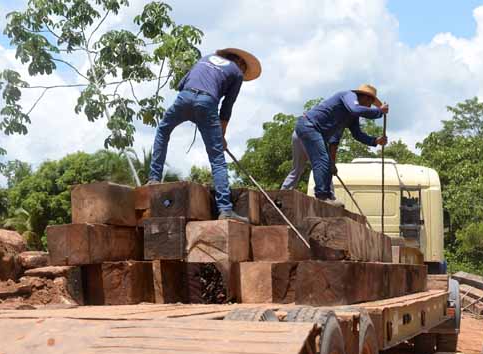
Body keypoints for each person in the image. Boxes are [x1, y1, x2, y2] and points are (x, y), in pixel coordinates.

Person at [147, 48, 262, 223]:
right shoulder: (236, 73)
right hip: (208, 103)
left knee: (163, 131)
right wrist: (220, 136)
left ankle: (154, 179)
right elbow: (226, 108)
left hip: (184, 97)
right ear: (240, 63)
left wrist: (190, 109)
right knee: (217, 158)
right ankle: (225, 209)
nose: (243, 73)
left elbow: (182, 84)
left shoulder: (206, 58)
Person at [281, 85, 388, 204]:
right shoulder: (348, 95)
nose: (368, 107)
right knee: (322, 161)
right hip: (309, 126)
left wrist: (375, 141)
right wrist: (379, 112)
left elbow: (357, 134)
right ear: (365, 98)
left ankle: (321, 195)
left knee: (316, 164)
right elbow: (355, 109)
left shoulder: (352, 116)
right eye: (370, 103)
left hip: (310, 130)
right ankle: (322, 196)